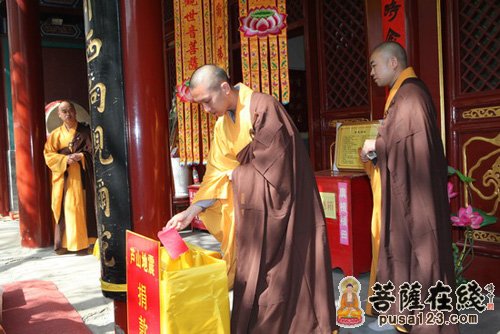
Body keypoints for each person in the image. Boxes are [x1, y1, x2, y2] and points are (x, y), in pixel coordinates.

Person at [166, 65, 337, 333]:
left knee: (289, 273)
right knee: (256, 276)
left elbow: (277, 169)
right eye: (200, 105)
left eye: (207, 102)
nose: (207, 110)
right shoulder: (223, 126)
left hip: (286, 208)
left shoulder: (263, 107)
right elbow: (217, 173)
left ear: (224, 88)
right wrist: (192, 210)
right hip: (255, 212)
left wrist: (237, 175)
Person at [361, 42, 458, 333]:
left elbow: (403, 142)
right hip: (411, 190)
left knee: (420, 253)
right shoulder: (403, 94)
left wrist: (376, 144)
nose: (371, 73)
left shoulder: (410, 95)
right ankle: (408, 314)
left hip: (417, 195)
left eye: (374, 65)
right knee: (406, 251)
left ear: (393, 64)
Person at [44, 100, 97, 255]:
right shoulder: (55, 135)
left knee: (84, 208)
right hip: (65, 179)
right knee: (68, 209)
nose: (68, 114)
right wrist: (64, 159)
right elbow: (48, 155)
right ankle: (68, 243)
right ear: (60, 115)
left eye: (70, 110)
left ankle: (88, 242)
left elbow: (94, 151)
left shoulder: (85, 131)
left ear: (75, 111)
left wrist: (82, 155)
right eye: (64, 111)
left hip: (83, 177)